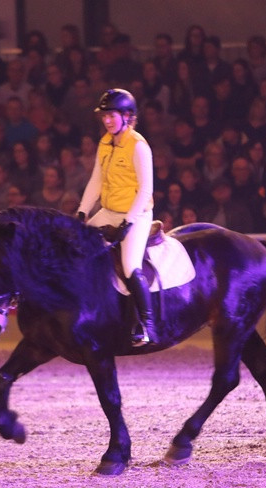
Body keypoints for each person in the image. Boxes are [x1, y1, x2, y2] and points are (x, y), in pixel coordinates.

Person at [76, 88, 156, 346]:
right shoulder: (105, 143)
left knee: (131, 264)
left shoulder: (138, 146)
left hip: (137, 214)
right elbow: (96, 180)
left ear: (127, 116)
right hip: (108, 211)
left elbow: (146, 189)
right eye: (105, 116)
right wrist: (82, 211)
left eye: (112, 115)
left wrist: (128, 223)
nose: (107, 120)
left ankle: (146, 324)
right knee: (76, 249)